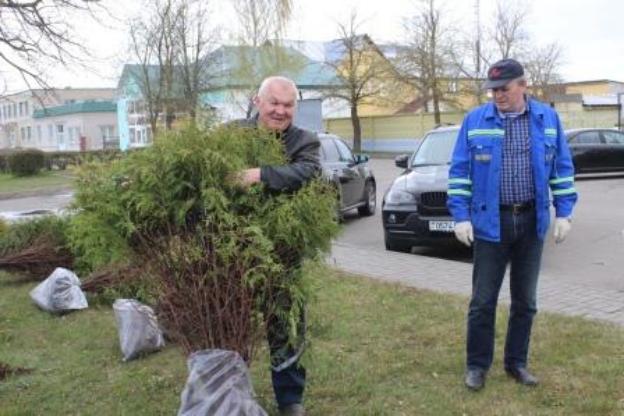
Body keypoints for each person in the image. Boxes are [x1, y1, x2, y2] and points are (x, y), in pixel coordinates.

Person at [447, 58, 578, 391]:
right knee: (483, 301)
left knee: (525, 301)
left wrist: (564, 212)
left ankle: (516, 363)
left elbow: (561, 169)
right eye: (492, 90)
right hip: (491, 222)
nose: (497, 96)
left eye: (504, 89)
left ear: (523, 85)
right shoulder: (475, 121)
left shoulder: (548, 120)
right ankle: (477, 366)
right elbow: (460, 172)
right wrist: (461, 216)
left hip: (532, 222)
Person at [232, 75, 320, 416]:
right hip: (234, 249)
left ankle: (290, 398)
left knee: (286, 325)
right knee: (232, 322)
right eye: (274, 103)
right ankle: (230, 389)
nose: (280, 111)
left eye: (288, 105)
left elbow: (307, 173)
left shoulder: (305, 141)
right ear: (258, 102)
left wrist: (259, 175)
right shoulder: (233, 135)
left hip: (284, 252)